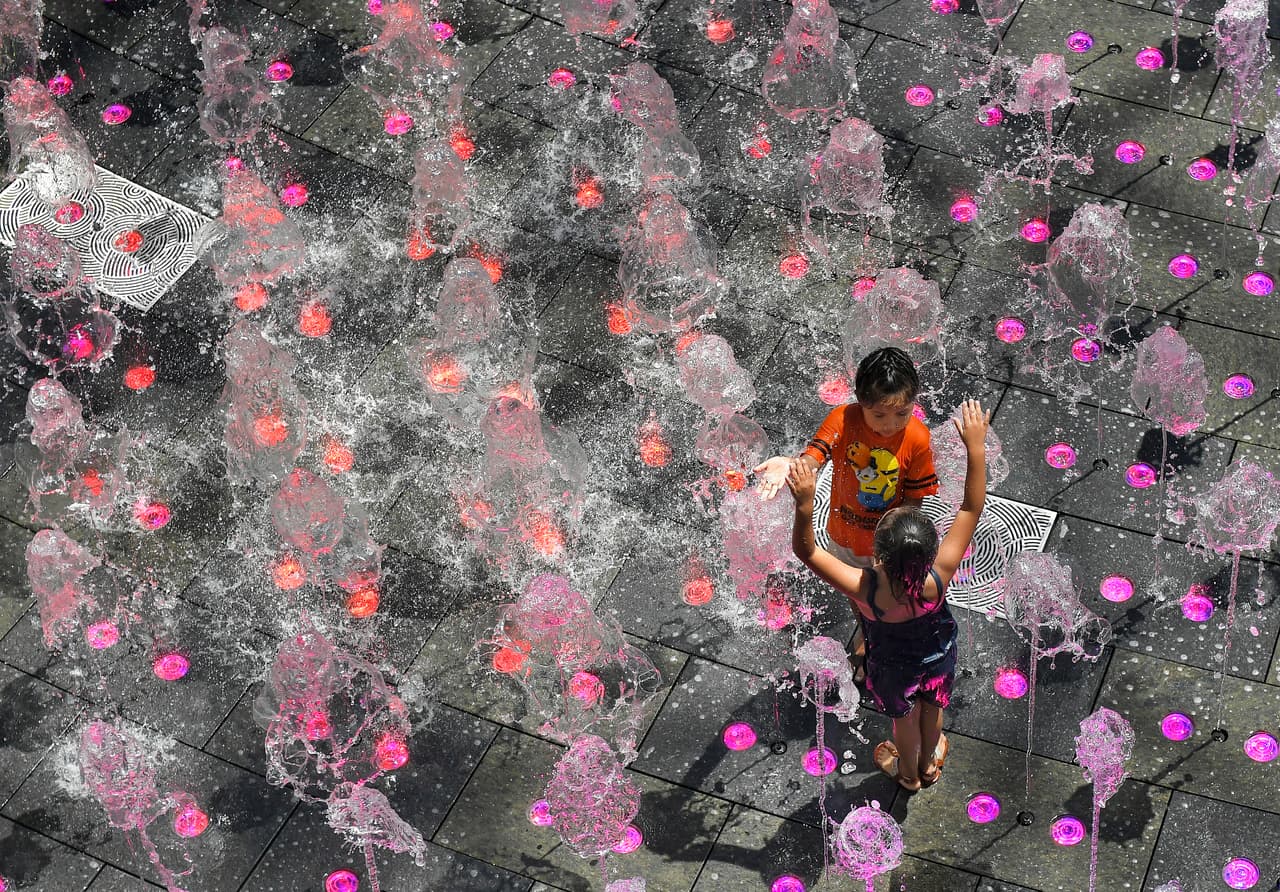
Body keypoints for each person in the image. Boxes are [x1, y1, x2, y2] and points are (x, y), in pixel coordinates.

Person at [786, 398, 990, 792]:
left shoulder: (866, 587)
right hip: (939, 657)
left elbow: (807, 552)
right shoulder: (938, 575)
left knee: (904, 720)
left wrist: (805, 505)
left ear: (877, 554)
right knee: (932, 708)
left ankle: (908, 774)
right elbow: (970, 507)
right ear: (931, 551)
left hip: (892, 670)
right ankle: (929, 765)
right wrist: (975, 447)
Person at [753, 347, 940, 679]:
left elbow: (914, 501)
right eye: (879, 415)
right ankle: (869, 637)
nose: (890, 425)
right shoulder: (843, 419)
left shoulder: (917, 439)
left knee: (897, 601)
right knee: (860, 598)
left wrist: (895, 545)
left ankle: (891, 643)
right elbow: (813, 458)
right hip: (845, 534)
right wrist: (792, 466)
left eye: (902, 413)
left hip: (888, 548)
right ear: (860, 401)